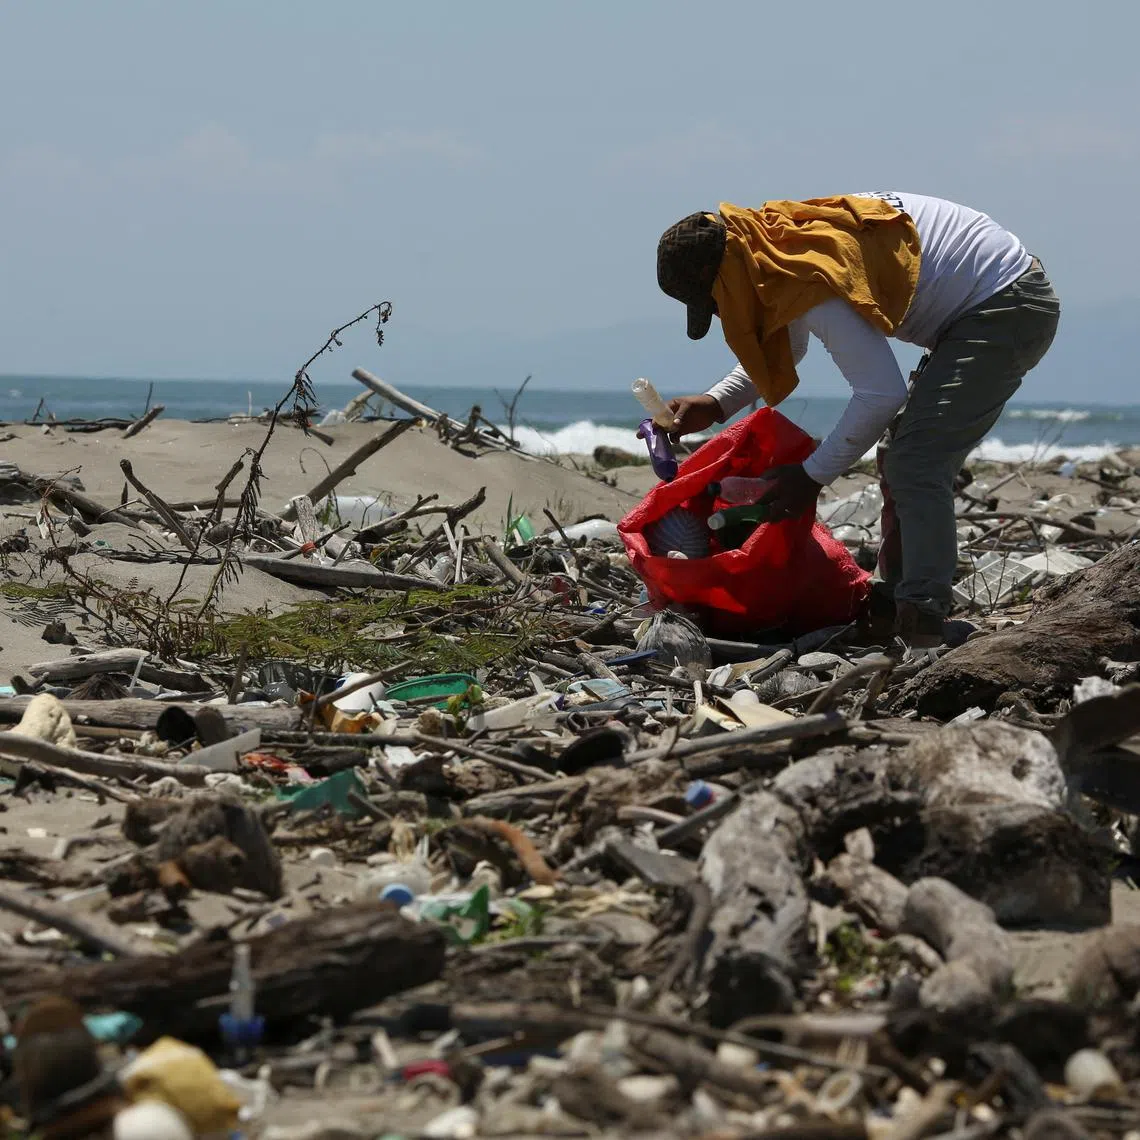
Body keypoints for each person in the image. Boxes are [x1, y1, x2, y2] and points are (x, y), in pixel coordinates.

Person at [656, 192, 1060, 646]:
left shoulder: (806, 270)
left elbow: (880, 394)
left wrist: (810, 476)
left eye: (715, 303)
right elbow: (790, 345)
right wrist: (714, 403)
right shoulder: (777, 248)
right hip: (987, 299)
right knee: (899, 457)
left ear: (723, 277)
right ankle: (891, 606)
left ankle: (922, 622)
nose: (722, 314)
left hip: (1004, 304)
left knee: (916, 462)